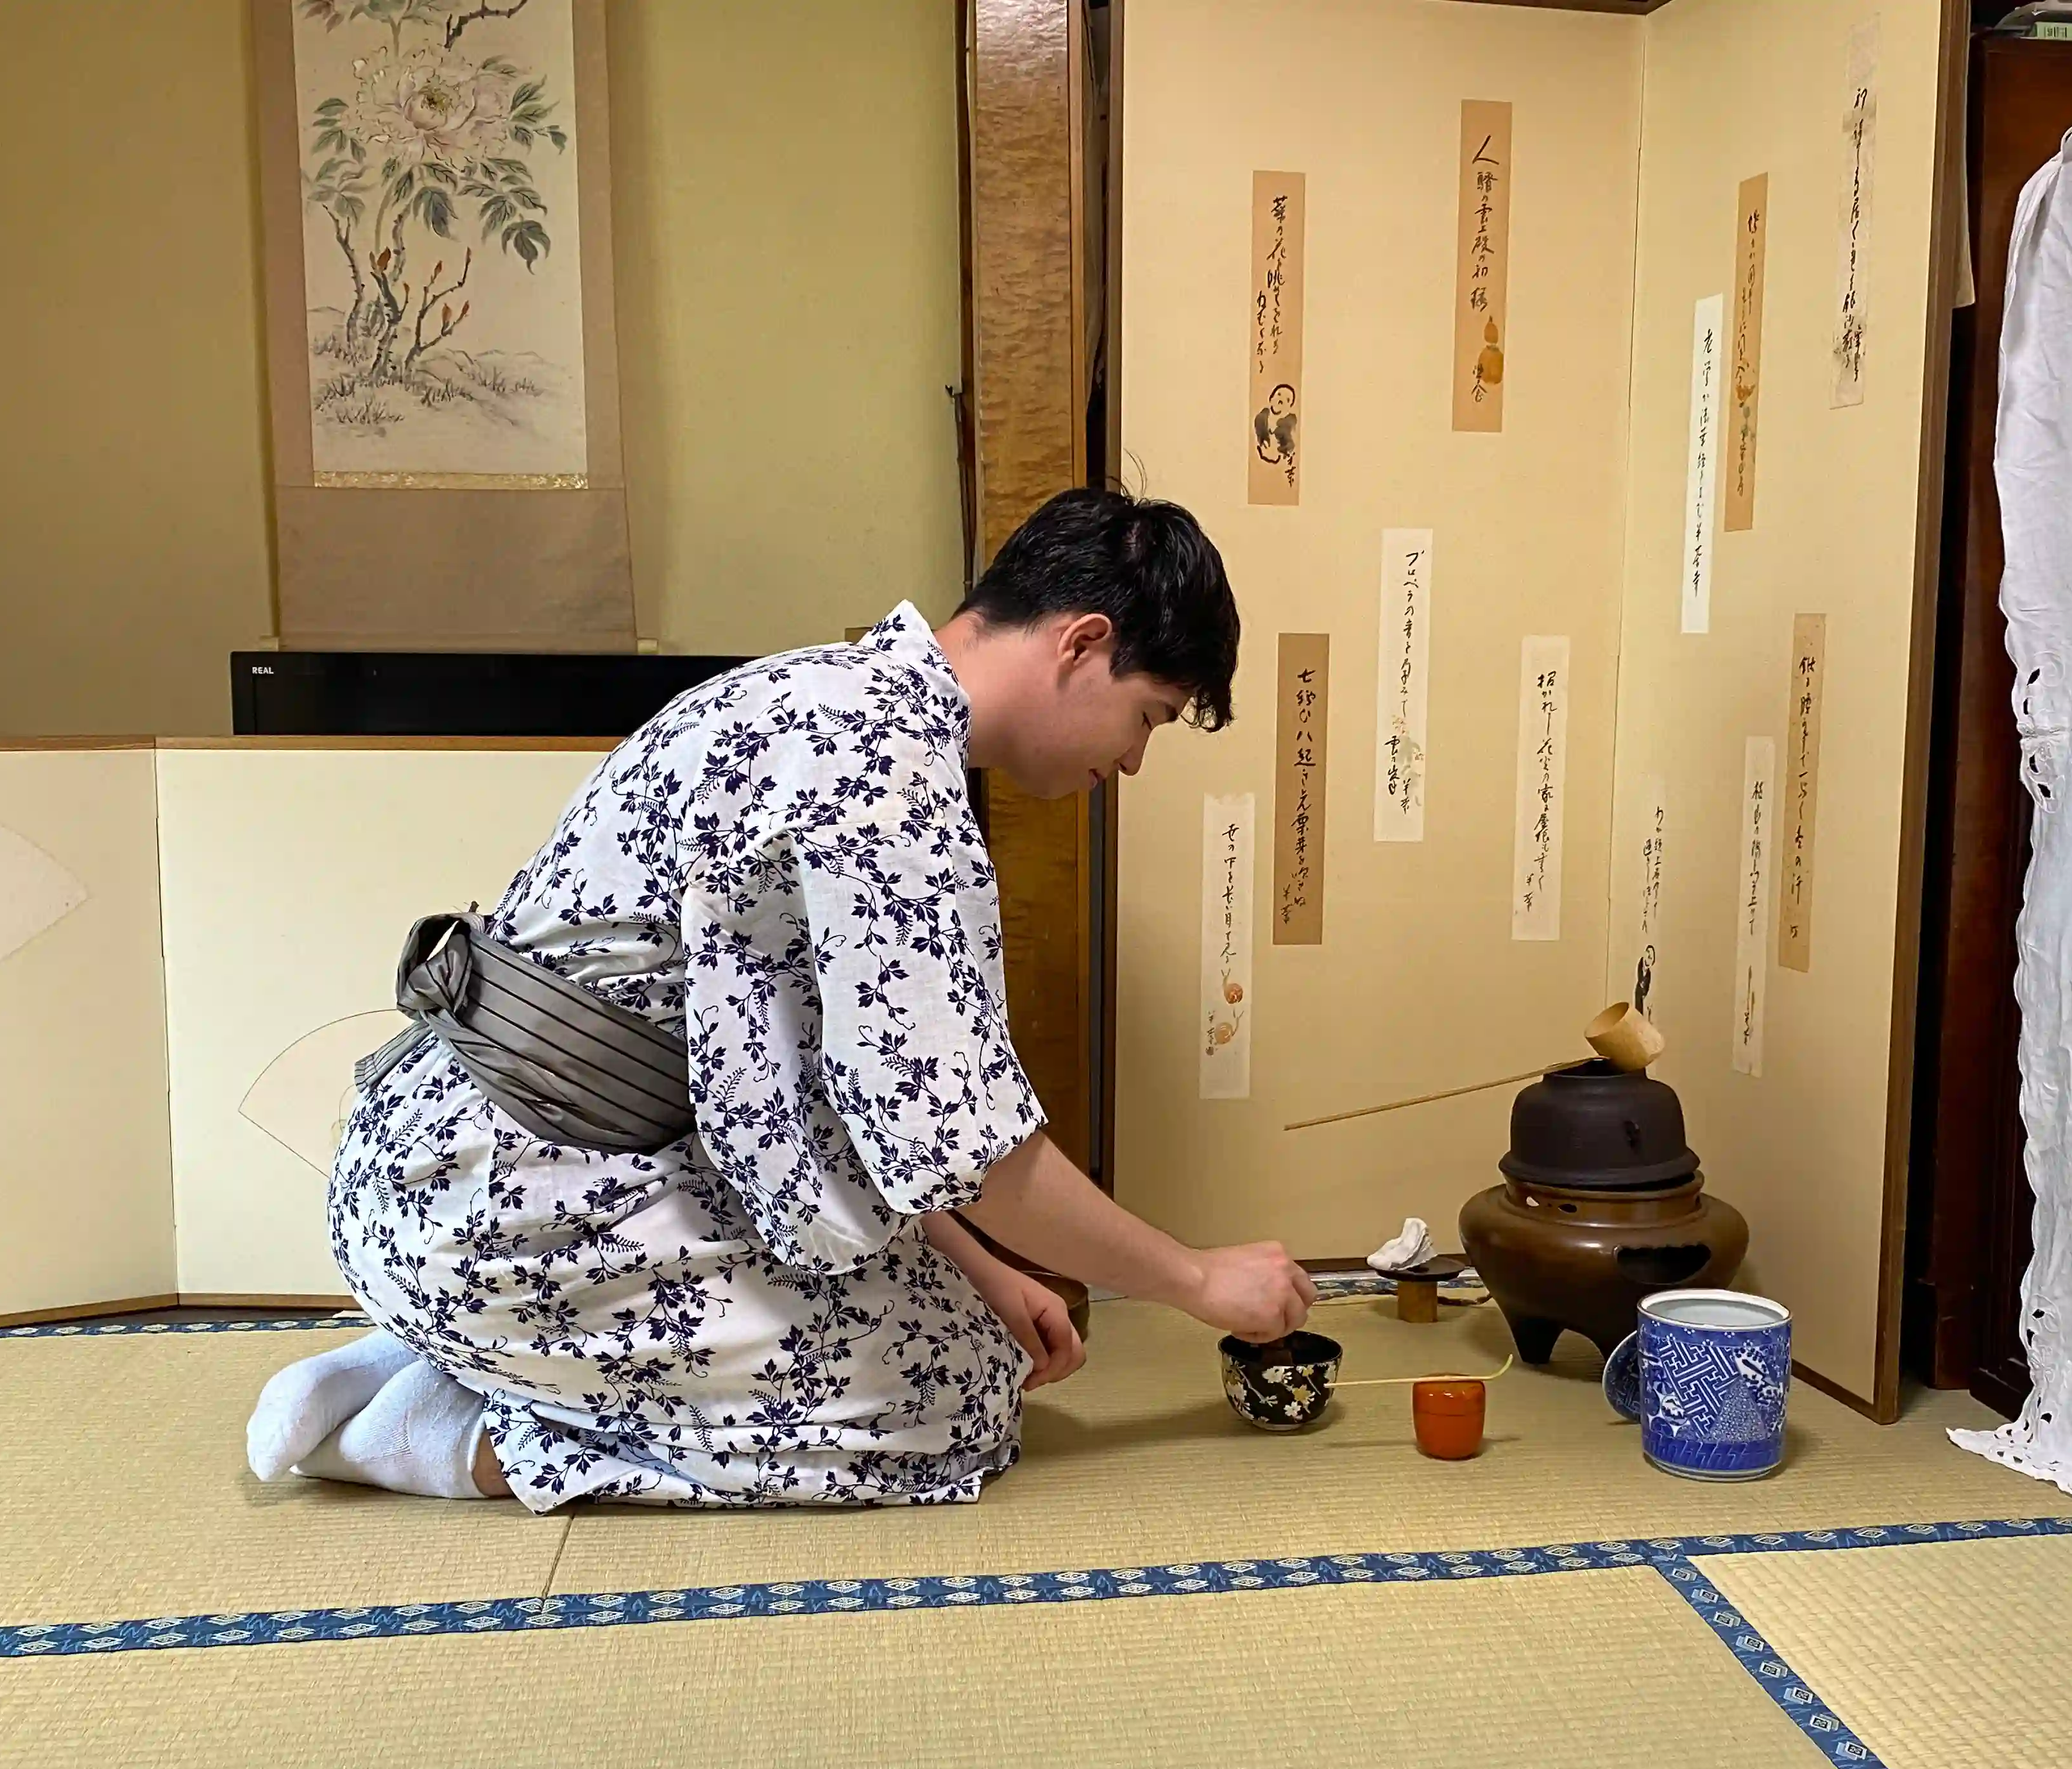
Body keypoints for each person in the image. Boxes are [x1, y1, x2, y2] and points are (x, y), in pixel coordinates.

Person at [246, 487, 1317, 1509]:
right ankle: (437, 1429)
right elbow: (969, 1150)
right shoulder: (882, 776)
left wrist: (978, 1265)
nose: (1133, 761)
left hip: (444, 1170)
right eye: (1148, 716)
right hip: (505, 1209)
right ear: (1081, 644)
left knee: (971, 1332)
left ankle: (459, 1348)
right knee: (944, 1410)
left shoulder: (812, 695)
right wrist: (1196, 1280)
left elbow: (814, 1095)